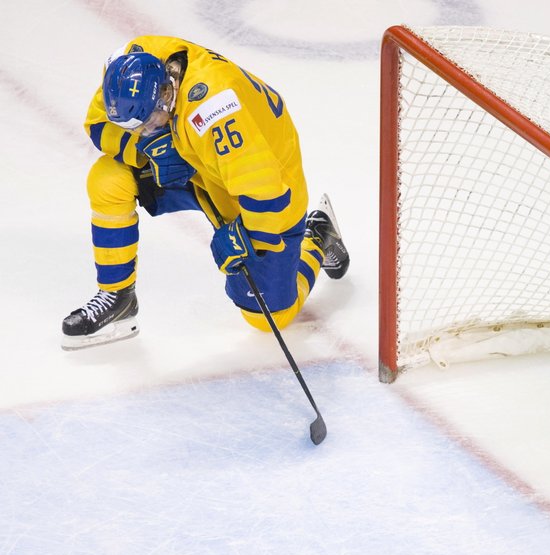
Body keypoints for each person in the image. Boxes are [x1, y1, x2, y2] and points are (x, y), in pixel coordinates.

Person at [62, 36, 349, 350]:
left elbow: (266, 193)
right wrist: (147, 147)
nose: (146, 129)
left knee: (267, 319)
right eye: (138, 127)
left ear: (165, 92)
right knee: (107, 177)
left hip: (263, 187)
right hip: (198, 158)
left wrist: (245, 237)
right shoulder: (129, 71)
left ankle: (318, 234)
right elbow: (97, 125)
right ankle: (118, 297)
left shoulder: (217, 109)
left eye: (149, 123)